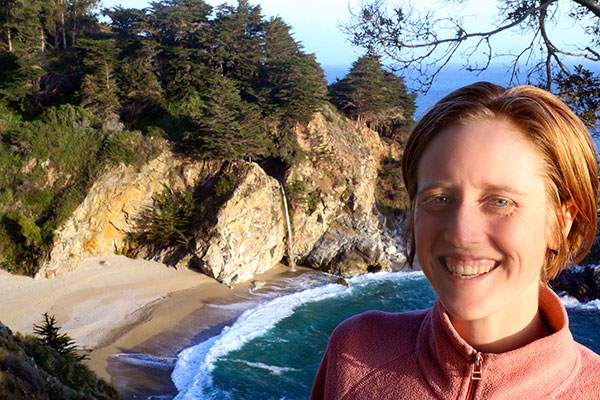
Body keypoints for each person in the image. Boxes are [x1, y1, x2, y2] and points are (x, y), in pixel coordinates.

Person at [310, 82, 600, 399]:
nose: (461, 233)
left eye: (500, 201)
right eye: (440, 199)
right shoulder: (357, 353)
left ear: (559, 223)